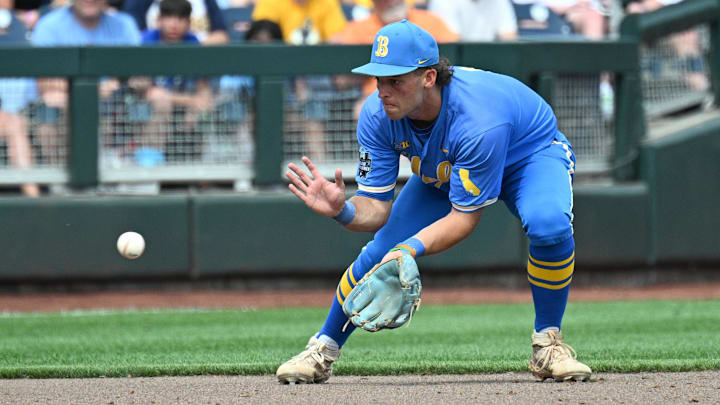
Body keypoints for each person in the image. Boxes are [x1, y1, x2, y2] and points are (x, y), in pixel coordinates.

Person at [278, 20, 591, 384]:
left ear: (428, 77)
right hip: (449, 165)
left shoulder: (477, 120)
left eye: (395, 80)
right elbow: (376, 210)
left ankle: (548, 343)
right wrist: (343, 210)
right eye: (379, 79)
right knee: (381, 250)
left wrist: (409, 249)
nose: (383, 90)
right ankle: (322, 349)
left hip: (527, 155)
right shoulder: (377, 115)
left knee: (548, 223)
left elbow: (464, 219)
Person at [30, 0, 141, 166]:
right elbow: (44, 83)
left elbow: (141, 71)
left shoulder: (124, 24)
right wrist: (89, 90)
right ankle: (64, 176)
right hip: (68, 108)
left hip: (115, 106)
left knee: (155, 98)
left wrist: (118, 81)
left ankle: (136, 174)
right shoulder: (50, 25)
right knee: (53, 100)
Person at [124, 0, 230, 44]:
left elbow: (221, 35)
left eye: (181, 18)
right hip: (154, 54)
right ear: (159, 20)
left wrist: (191, 49)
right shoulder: (147, 38)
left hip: (193, 56)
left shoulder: (193, 42)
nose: (174, 24)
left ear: (188, 22)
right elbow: (134, 35)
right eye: (168, 17)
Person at [251, 0, 346, 45]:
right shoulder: (271, 2)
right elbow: (261, 33)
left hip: (318, 62)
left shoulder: (327, 2)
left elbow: (337, 38)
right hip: (281, 62)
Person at [427, 0, 518, 42]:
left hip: (492, 62)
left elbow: (509, 37)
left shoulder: (500, 2)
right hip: (457, 66)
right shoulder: (442, 2)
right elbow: (451, 42)